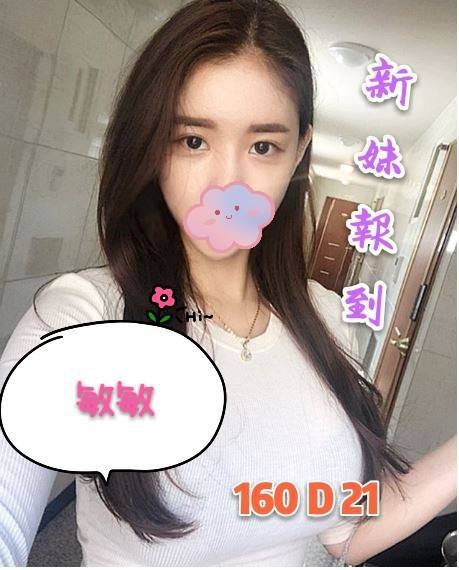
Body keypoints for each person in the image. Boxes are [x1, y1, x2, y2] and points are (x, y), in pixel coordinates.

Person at [0, 0, 456, 566]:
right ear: (152, 145)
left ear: (298, 153)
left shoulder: (326, 318)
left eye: (263, 146)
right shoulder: (85, 314)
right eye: (193, 140)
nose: (228, 184)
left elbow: (344, 534)